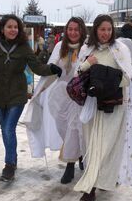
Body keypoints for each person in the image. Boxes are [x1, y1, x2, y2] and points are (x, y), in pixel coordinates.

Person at [0, 14, 62, 182]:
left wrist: (52, 69)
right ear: (3, 29)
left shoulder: (24, 47)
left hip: (17, 94)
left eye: (15, 27)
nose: (13, 30)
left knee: (8, 129)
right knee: (5, 130)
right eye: (9, 27)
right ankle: (12, 160)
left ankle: (9, 165)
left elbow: (36, 67)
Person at [73, 14, 132, 201]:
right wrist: (88, 64)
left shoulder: (120, 49)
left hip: (112, 106)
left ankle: (99, 181)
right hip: (92, 106)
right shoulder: (87, 49)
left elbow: (128, 78)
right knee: (92, 145)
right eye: (102, 29)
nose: (105, 33)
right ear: (95, 30)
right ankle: (91, 186)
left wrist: (106, 80)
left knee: (107, 147)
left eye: (109, 29)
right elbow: (79, 74)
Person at [25, 17, 88, 184]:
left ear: (81, 31)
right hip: (60, 97)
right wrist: (52, 68)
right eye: (70, 29)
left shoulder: (87, 48)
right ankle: (80, 153)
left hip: (79, 95)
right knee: (65, 130)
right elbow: (52, 64)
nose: (73, 32)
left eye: (76, 29)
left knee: (75, 128)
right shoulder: (60, 46)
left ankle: (70, 164)